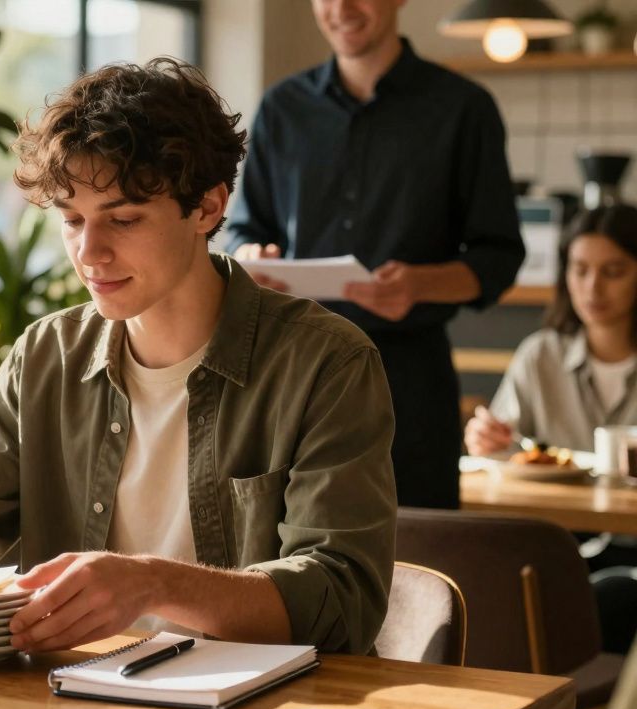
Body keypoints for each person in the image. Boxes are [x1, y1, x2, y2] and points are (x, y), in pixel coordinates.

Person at [0, 59, 397, 654]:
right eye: (72, 221)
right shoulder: (46, 354)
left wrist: (152, 584)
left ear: (207, 208)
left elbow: (341, 599)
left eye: (122, 219)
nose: (89, 253)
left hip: (268, 708)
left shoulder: (326, 362)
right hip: (74, 700)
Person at [225, 0, 525, 510]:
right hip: (294, 373)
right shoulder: (282, 108)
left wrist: (421, 285)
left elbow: (498, 256)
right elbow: (243, 229)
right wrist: (251, 255)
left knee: (420, 557)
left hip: (409, 384)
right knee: (290, 555)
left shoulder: (462, 108)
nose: (340, 8)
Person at [465, 204, 637, 655]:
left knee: (615, 598)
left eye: (613, 271)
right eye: (580, 270)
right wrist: (487, 442)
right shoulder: (541, 356)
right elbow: (503, 450)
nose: (592, 287)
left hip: (630, 547)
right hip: (558, 547)